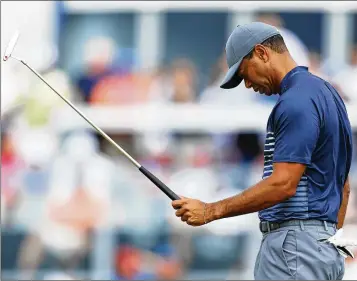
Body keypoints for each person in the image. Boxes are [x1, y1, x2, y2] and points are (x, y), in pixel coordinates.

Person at [171, 22, 353, 280]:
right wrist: (328, 241)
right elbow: (343, 187)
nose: (246, 85)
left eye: (245, 74)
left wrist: (211, 211)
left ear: (262, 53)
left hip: (293, 248)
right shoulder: (329, 95)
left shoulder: (295, 101)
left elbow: (283, 184)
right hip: (321, 247)